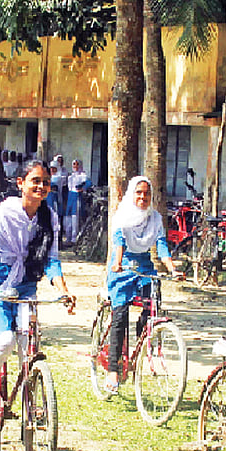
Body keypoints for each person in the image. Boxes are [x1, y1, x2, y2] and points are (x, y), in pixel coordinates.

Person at [0, 160, 76, 421]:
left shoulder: (48, 216)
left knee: (27, 346)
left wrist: (63, 291)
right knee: (4, 341)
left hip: (25, 290)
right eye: (35, 181)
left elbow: (51, 259)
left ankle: (31, 404)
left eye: (46, 183)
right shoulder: (4, 213)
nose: (41, 187)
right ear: (21, 184)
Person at [104, 177, 184, 393]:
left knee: (153, 306)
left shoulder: (155, 218)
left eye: (146, 193)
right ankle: (112, 369)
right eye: (139, 192)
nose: (143, 197)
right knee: (119, 316)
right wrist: (118, 263)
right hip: (123, 268)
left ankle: (143, 338)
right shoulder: (122, 215)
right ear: (132, 194)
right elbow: (119, 242)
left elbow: (161, 246)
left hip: (145, 268)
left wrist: (172, 269)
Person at [63, 159, 92, 243]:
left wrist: (83, 189)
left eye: (77, 164)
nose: (75, 166)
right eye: (74, 164)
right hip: (70, 197)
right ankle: (68, 238)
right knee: (68, 218)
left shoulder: (83, 175)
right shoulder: (70, 176)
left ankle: (74, 239)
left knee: (75, 218)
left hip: (77, 197)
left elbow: (89, 183)